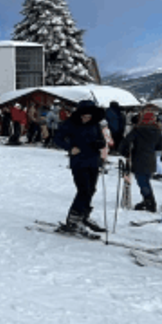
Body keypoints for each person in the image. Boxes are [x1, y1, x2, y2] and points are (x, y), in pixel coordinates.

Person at [54, 100, 107, 234]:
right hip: (78, 162)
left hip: (93, 161)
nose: (86, 118)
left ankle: (84, 216)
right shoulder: (71, 123)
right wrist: (70, 148)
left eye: (89, 116)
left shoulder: (95, 124)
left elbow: (102, 141)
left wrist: (98, 144)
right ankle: (73, 220)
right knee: (83, 190)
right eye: (84, 116)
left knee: (91, 190)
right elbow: (57, 138)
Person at [118, 106, 162, 213]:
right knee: (145, 180)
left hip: (139, 157)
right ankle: (149, 201)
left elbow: (125, 142)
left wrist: (124, 152)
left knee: (142, 181)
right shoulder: (158, 131)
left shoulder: (137, 130)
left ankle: (149, 202)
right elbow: (160, 146)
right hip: (151, 158)